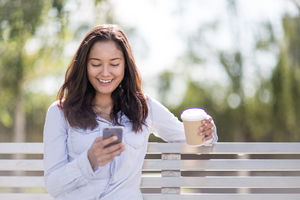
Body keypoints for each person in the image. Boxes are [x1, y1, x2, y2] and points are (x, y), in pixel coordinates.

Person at [43, 24, 218, 200]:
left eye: (114, 64)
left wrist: (206, 132)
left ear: (125, 66)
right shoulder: (59, 112)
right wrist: (89, 160)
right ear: (84, 66)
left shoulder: (144, 107)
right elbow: (54, 186)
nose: (105, 72)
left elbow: (186, 137)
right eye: (96, 64)